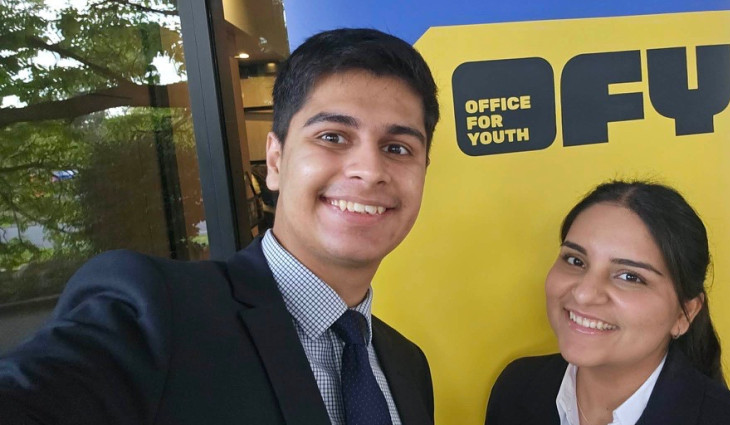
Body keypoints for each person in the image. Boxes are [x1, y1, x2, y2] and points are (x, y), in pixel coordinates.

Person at [0, 28, 439, 425]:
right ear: (276, 160)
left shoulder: (407, 366)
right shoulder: (157, 314)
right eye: (333, 137)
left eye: (398, 148)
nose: (369, 170)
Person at [485, 181, 730, 425]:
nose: (583, 293)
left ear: (685, 315)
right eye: (575, 260)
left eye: (630, 277)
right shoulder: (517, 388)